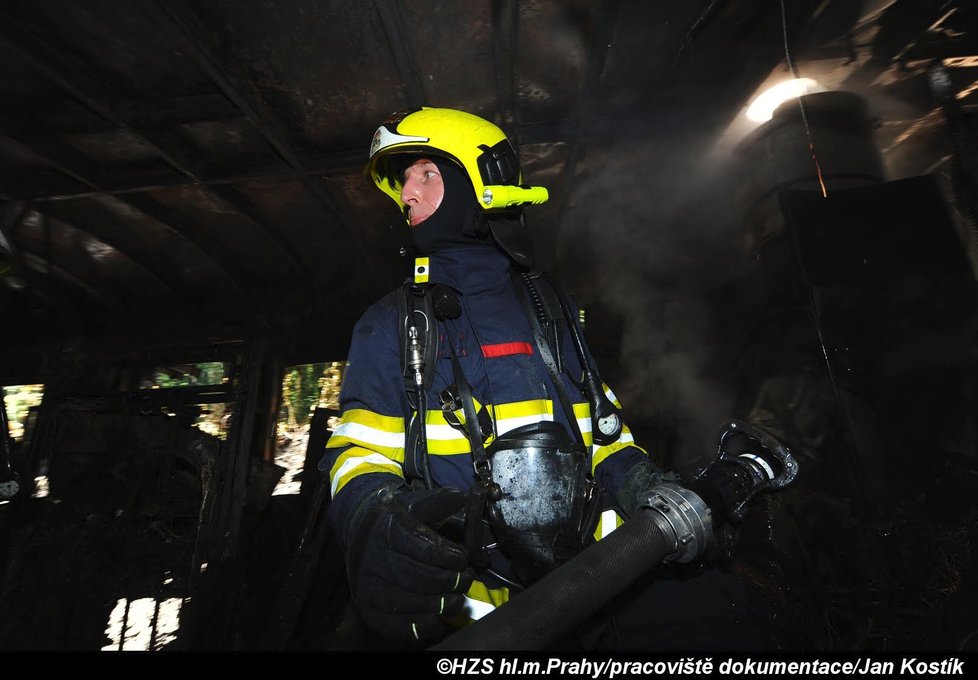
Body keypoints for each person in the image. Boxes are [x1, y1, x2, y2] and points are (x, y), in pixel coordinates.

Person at [319, 107, 767, 649]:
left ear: (477, 183)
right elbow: (359, 456)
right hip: (481, 621)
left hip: (603, 584)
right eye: (405, 179)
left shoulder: (550, 307)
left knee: (725, 615)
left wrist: (643, 484)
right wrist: (371, 518)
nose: (407, 194)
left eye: (427, 173)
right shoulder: (388, 324)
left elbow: (603, 435)